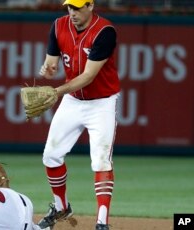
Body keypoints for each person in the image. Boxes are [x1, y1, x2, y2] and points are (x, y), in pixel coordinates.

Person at [36, 0, 120, 230]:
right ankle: (61, 206)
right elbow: (51, 61)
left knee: (101, 160)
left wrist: (56, 91)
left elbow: (88, 76)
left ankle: (102, 221)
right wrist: (48, 68)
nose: (72, 12)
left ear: (90, 6)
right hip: (73, 101)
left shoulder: (105, 32)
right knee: (51, 156)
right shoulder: (58, 25)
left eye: (77, 7)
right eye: (69, 7)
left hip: (102, 102)